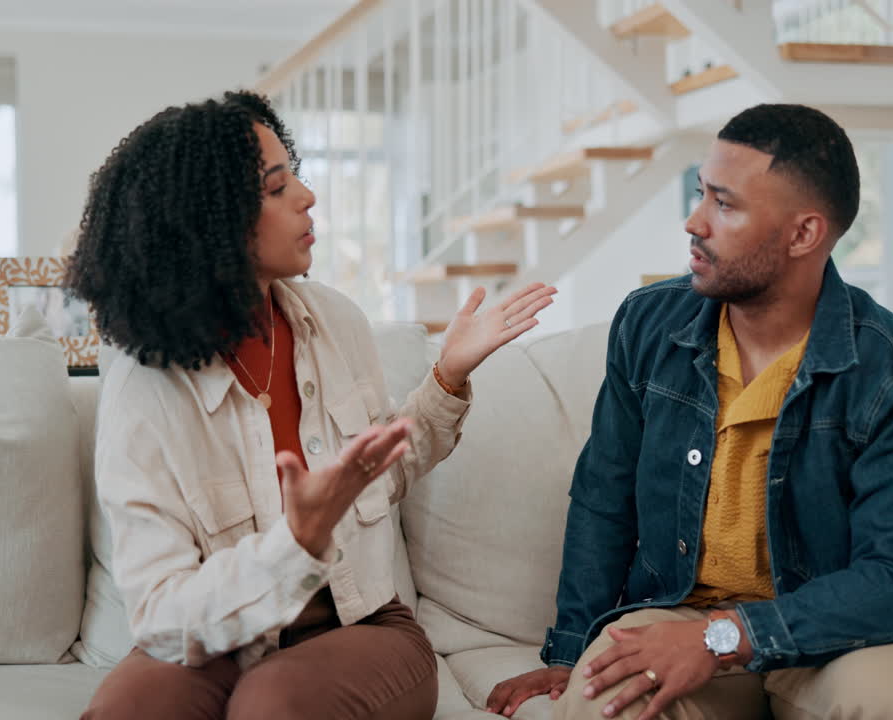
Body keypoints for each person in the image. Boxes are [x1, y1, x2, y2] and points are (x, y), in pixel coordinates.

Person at [66, 90, 556, 720]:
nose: (307, 195)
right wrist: (294, 544)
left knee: (273, 704)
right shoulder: (145, 390)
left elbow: (384, 471)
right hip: (220, 639)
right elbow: (163, 619)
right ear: (209, 223)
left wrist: (448, 376)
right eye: (276, 188)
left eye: (293, 173)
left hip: (362, 625)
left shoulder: (334, 323)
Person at [488, 103, 893, 720]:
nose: (694, 222)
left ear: (803, 234)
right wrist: (571, 650)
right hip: (677, 609)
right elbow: (604, 496)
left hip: (839, 632)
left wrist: (722, 638)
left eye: (724, 204)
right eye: (699, 194)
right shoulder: (648, 324)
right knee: (602, 703)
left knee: (890, 703)